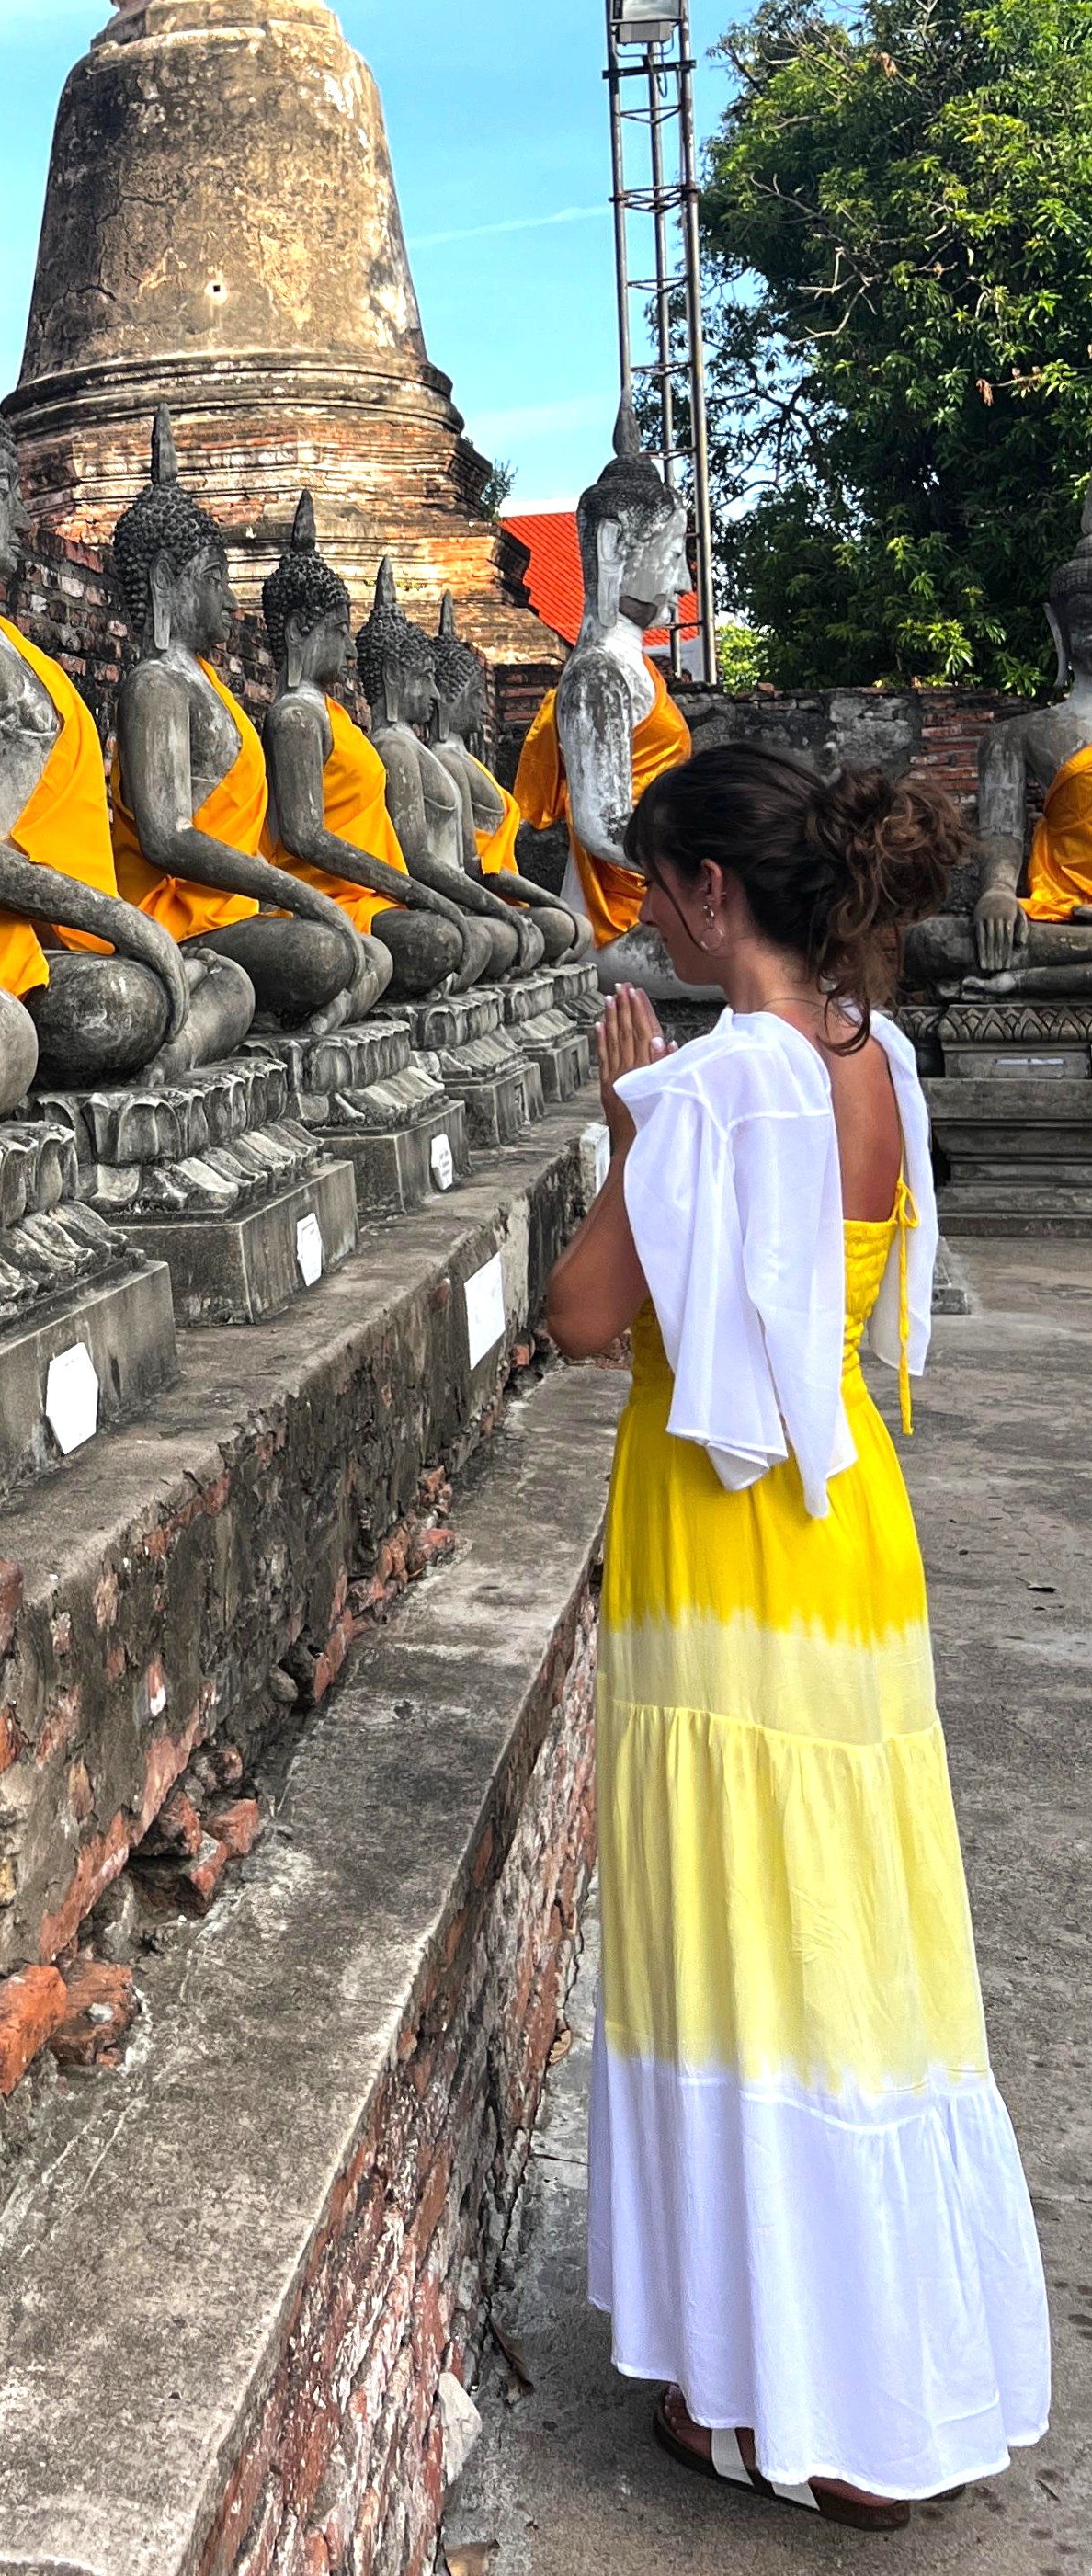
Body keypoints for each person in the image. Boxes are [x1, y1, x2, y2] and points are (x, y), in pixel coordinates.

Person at [545, 745, 1050, 2523]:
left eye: (655, 890)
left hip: (721, 1552)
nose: (651, 920)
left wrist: (629, 1136)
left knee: (735, 1942)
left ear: (706, 897)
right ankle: (878, 2380)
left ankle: (762, 2380)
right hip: (855, 1548)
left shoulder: (713, 1083)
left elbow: (587, 1319)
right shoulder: (878, 1059)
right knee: (861, 1943)